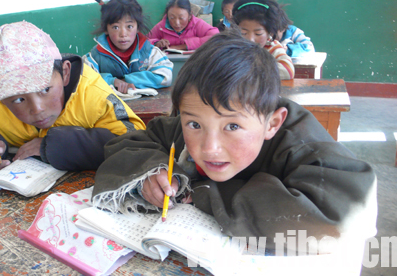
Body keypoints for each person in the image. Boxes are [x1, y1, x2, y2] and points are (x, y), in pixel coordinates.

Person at [90, 31, 377, 253]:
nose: (209, 147)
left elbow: (342, 216)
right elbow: (132, 142)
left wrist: (202, 192)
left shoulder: (300, 142)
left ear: (272, 123)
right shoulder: (188, 122)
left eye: (232, 126)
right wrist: (151, 172)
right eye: (194, 124)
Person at [0, 21, 145, 173]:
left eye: (45, 90)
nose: (37, 108)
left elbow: (135, 142)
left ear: (65, 73)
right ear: (0, 96)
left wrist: (54, 145)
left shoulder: (94, 96)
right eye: (18, 99)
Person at [83, 0, 173, 93]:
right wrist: (112, 81)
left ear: (137, 27)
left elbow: (165, 76)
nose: (123, 34)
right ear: (106, 29)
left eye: (129, 26)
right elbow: (84, 78)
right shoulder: (96, 56)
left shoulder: (150, 52)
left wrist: (125, 80)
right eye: (115, 27)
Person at [232, 0, 294, 79]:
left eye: (258, 33)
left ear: (269, 33)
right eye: (243, 33)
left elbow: (288, 70)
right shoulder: (233, 46)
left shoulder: (272, 47)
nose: (250, 39)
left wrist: (247, 70)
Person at [147, 0, 219, 51]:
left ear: (190, 15)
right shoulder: (161, 27)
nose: (177, 23)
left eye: (181, 18)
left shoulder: (196, 23)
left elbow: (216, 37)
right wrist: (156, 43)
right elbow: (143, 41)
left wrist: (183, 46)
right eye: (172, 18)